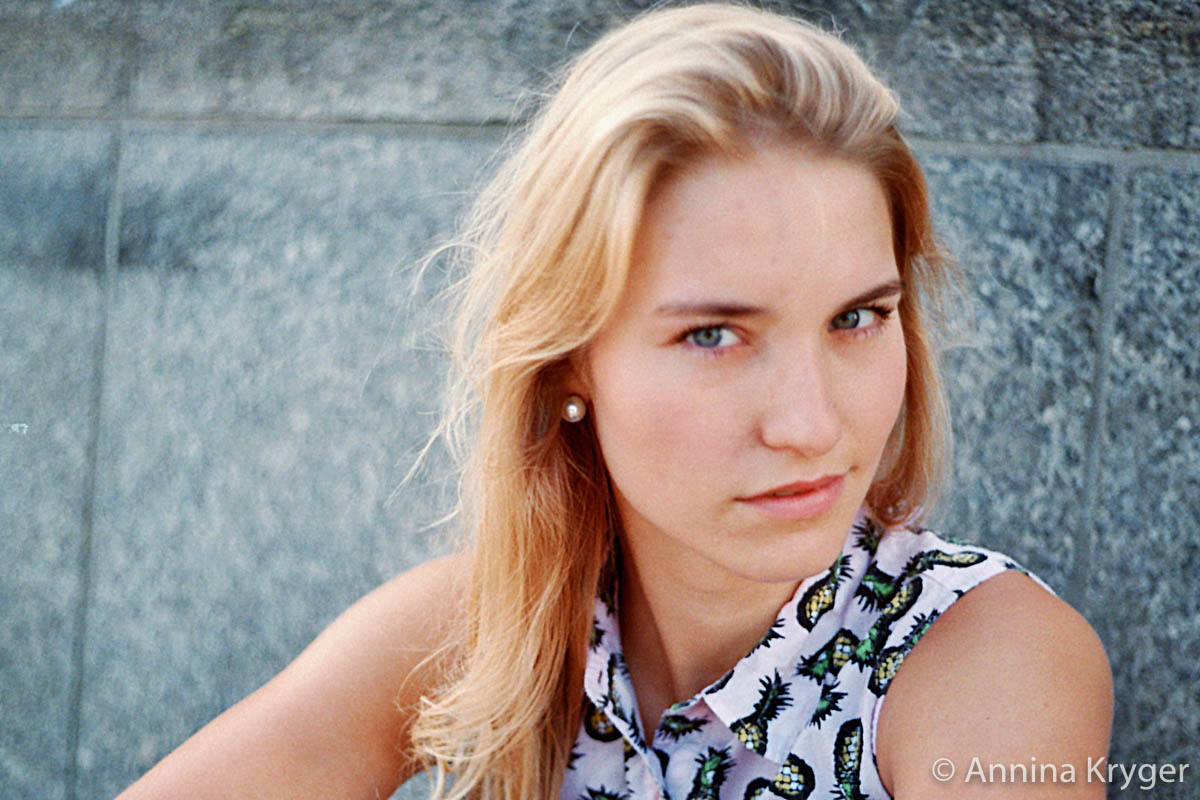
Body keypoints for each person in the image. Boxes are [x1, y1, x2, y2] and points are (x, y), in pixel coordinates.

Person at [118, 4, 1112, 799]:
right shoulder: (494, 627)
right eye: (714, 334)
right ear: (568, 363)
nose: (812, 425)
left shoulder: (985, 659)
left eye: (857, 317)